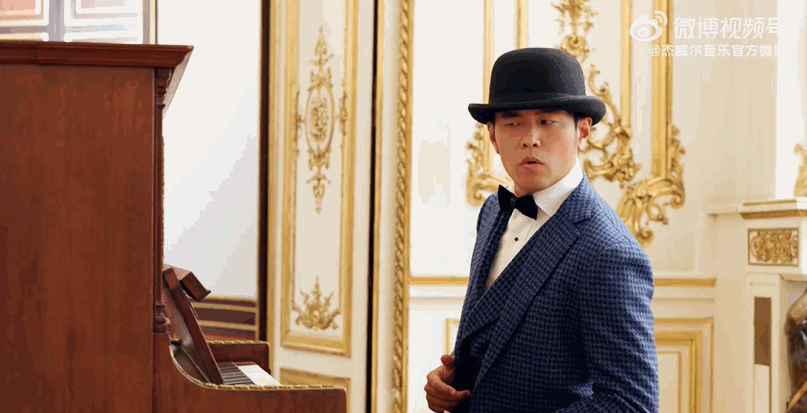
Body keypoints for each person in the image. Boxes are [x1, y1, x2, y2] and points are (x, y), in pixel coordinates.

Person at [423, 48, 659, 412]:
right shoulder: (492, 211)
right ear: (492, 135)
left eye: (547, 122)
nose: (530, 138)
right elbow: (495, 339)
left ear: (582, 132)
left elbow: (631, 404)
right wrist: (453, 381)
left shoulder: (608, 252)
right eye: (513, 123)